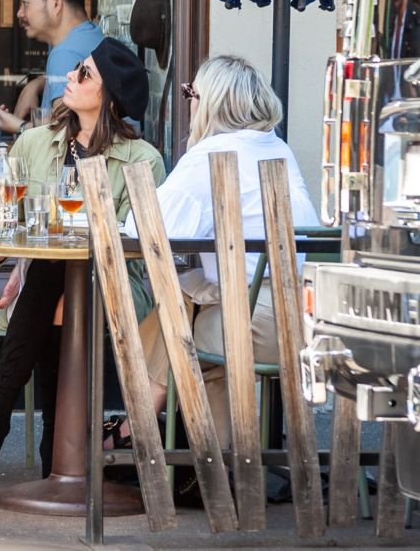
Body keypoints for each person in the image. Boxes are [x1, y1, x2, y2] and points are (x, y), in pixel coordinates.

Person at [0, 38, 163, 473]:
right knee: (53, 281)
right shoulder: (33, 142)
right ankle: (58, 458)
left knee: (56, 281)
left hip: (115, 292)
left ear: (108, 98)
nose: (70, 75)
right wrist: (13, 256)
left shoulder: (142, 160)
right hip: (45, 288)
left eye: (84, 73)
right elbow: (5, 218)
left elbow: (134, 249)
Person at [120, 55, 319, 448]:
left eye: (191, 92)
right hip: (307, 317)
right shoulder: (277, 148)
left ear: (212, 101)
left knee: (175, 322)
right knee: (179, 307)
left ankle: (139, 429)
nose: (188, 101)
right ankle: (161, 435)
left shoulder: (211, 155)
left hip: (257, 323)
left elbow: (146, 226)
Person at [0, 0, 103, 135]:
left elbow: (66, 136)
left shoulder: (64, 53)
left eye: (25, 3)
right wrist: (36, 85)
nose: (20, 12)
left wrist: (19, 126)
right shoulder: (90, 34)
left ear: (56, 3)